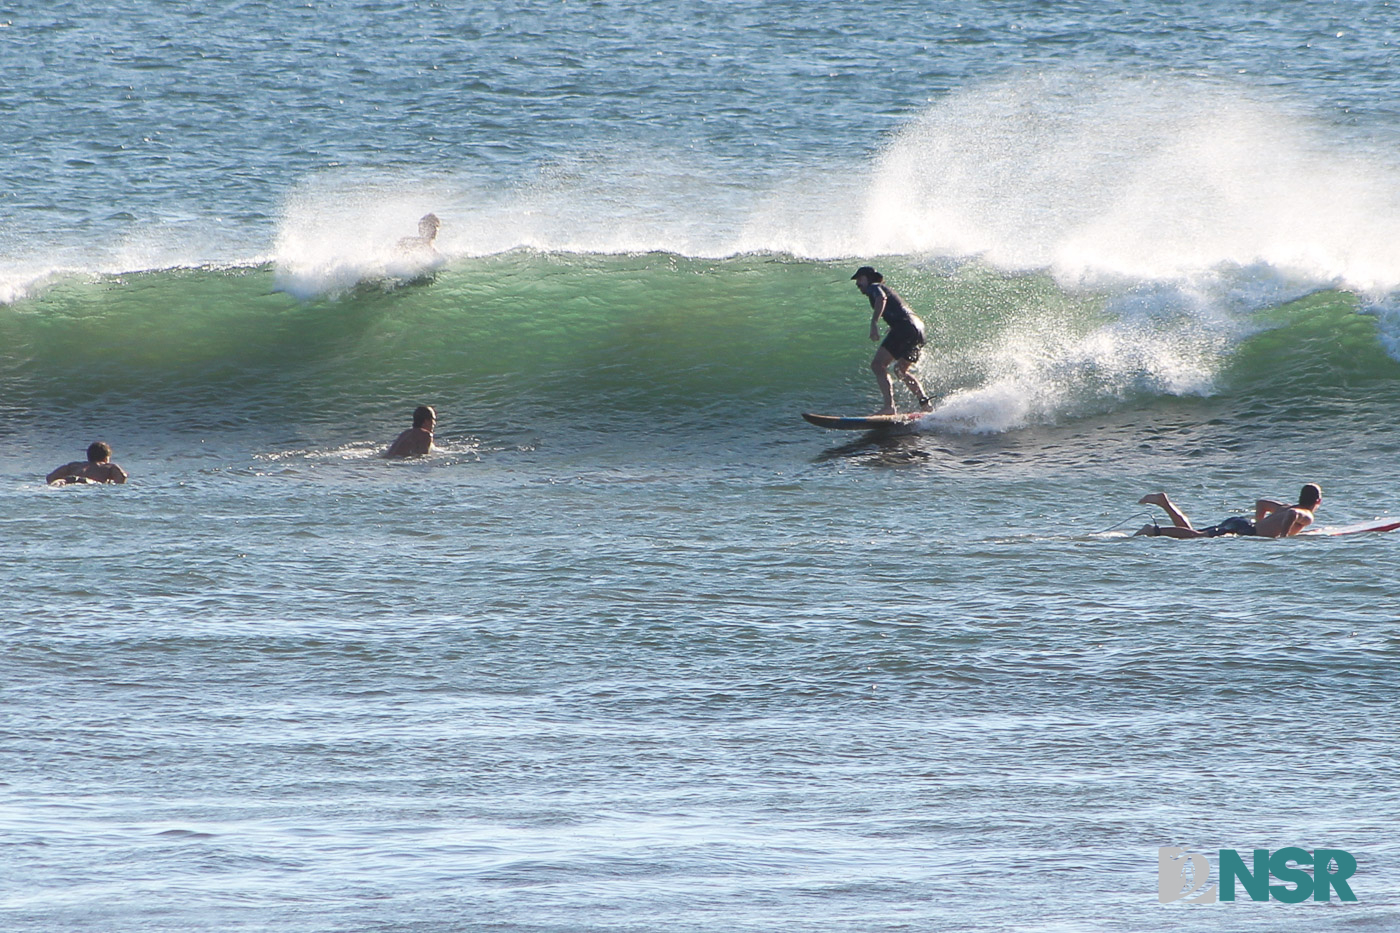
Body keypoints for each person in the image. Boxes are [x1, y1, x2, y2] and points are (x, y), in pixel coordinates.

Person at [852, 266, 933, 415]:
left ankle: (889, 407)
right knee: (900, 370)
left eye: (860, 279)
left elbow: (881, 299)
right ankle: (925, 404)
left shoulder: (875, 287)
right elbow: (900, 310)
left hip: (905, 328)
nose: (857, 283)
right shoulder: (886, 289)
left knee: (878, 365)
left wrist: (874, 322)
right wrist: (893, 326)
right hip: (918, 329)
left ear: (869, 278)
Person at [1134, 484, 1321, 538]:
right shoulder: (1306, 514)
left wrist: (1260, 523)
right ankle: (1153, 530)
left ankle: (1164, 503)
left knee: (1194, 534)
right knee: (1197, 536)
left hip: (1244, 524)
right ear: (1318, 501)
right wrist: (1282, 536)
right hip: (1247, 529)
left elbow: (1262, 503)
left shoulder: (1286, 506)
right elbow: (1292, 516)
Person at [46, 442, 128, 485]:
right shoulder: (109, 467)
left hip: (68, 480)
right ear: (106, 458)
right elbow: (122, 478)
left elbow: (50, 477)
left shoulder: (74, 465)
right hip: (88, 482)